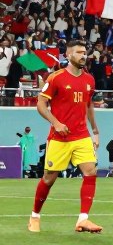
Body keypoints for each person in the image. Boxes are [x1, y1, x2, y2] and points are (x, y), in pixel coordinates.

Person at [28, 40, 103, 233]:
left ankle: (83, 219)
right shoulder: (56, 78)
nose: (83, 55)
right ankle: (35, 216)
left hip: (81, 135)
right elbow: (41, 104)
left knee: (90, 171)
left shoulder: (89, 80)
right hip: (59, 138)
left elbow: (89, 105)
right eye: (79, 52)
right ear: (69, 55)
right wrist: (56, 122)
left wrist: (95, 131)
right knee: (48, 179)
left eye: (85, 52)